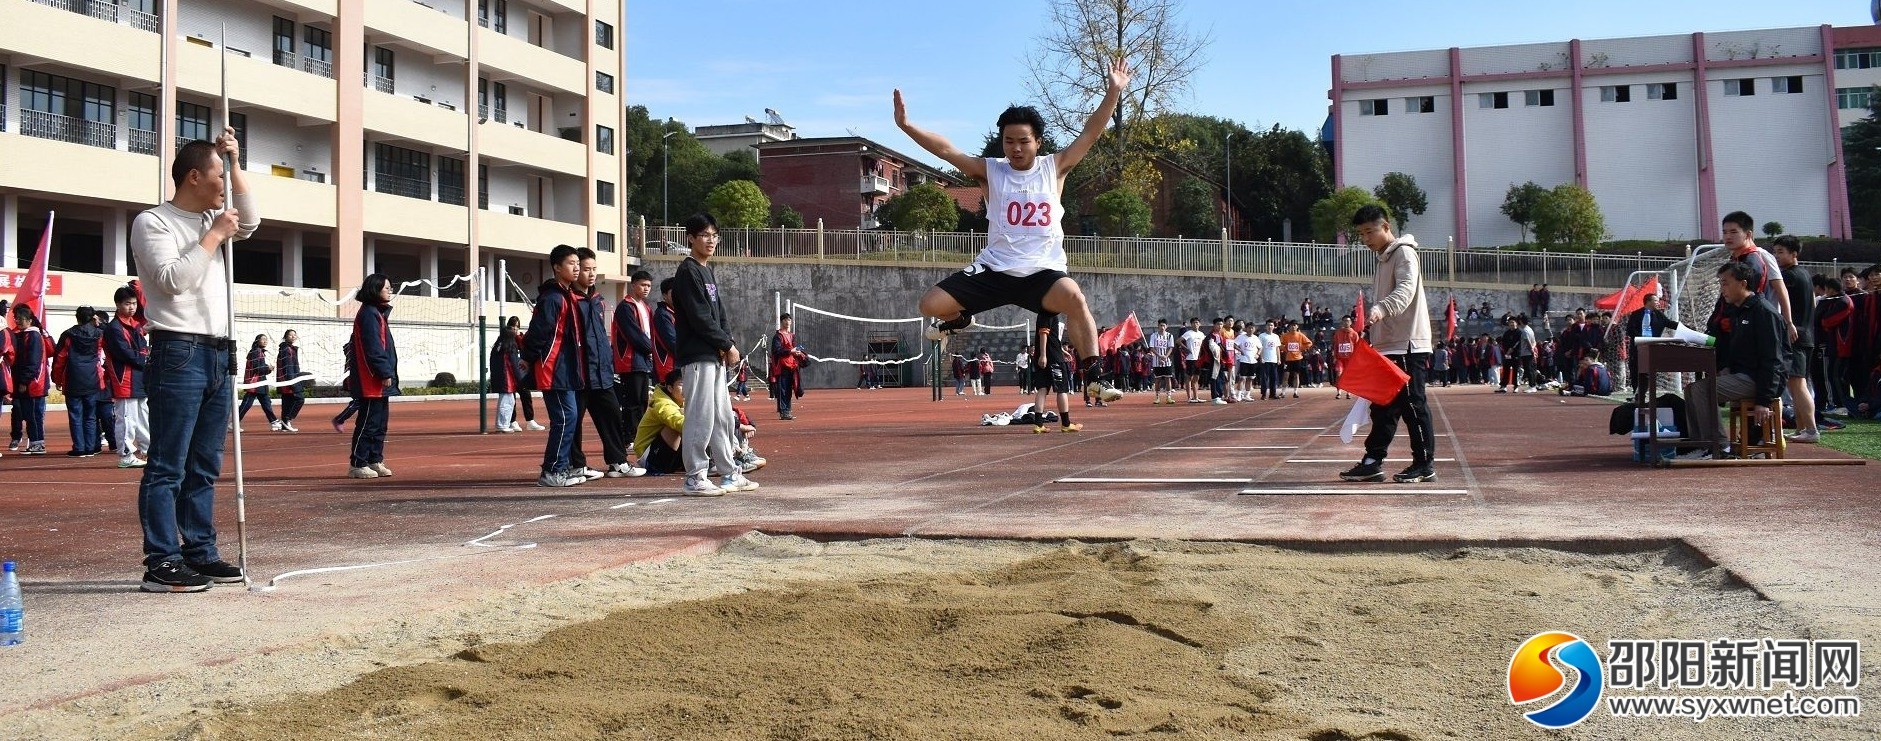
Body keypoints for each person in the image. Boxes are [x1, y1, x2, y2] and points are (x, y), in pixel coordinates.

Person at [895, 59, 1130, 403]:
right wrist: (906, 126)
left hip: (1043, 273)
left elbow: (1091, 132)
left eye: (1023, 141)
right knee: (929, 304)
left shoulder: (1056, 167)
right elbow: (946, 149)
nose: (1015, 148)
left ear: (1038, 141)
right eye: (1008, 141)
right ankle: (959, 320)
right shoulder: (991, 171)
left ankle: (1094, 375)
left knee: (1075, 298)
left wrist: (1113, 92)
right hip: (994, 269)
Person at [130, 128, 255, 591]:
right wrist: (214, 235)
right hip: (178, 350)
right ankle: (161, 560)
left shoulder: (215, 217)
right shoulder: (154, 222)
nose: (224, 182)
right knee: (168, 464)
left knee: (205, 463)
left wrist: (238, 163)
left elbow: (252, 220)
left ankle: (199, 552)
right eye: (219, 173)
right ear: (195, 176)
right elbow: (170, 281)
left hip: (219, 351)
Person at [1340, 204, 1437, 484]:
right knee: (1382, 407)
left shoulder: (1404, 253)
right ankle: (1372, 462)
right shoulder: (1383, 259)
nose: (1366, 239)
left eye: (1370, 232)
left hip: (1407, 344)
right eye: (1361, 234)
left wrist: (1381, 309)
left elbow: (1405, 289)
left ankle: (1424, 463)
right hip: (1387, 345)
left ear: (1386, 227)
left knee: (1412, 405)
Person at [671, 214, 758, 495]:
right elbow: (699, 317)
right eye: (704, 235)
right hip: (697, 356)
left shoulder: (707, 271)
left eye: (714, 235)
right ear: (691, 238)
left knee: (722, 416)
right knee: (701, 416)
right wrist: (726, 344)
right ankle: (695, 476)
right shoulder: (688, 272)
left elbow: (719, 313)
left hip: (713, 354)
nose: (711, 240)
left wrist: (727, 343)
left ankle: (729, 472)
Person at [1682, 261, 1785, 454]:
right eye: (1721, 284)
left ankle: (1718, 446)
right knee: (1690, 389)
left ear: (1743, 284)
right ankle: (1701, 444)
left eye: (1725, 283)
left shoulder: (1763, 312)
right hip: (1744, 374)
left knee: (1701, 389)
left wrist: (1763, 399)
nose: (1722, 289)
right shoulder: (1738, 311)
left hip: (1760, 380)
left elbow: (1774, 360)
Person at [567, 247, 642, 479]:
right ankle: (576, 465)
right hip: (579, 374)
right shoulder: (569, 299)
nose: (590, 274)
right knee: (573, 422)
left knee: (611, 416)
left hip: (602, 374)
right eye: (586, 269)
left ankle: (618, 462)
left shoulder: (598, 300)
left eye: (594, 269)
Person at [523, 244, 588, 488]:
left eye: (578, 264)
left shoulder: (567, 296)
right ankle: (552, 471)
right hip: (554, 369)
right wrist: (528, 357)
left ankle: (561, 467)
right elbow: (539, 333)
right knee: (565, 418)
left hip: (567, 369)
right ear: (557, 267)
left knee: (569, 418)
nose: (576, 268)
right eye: (571, 264)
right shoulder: (552, 299)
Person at [343, 274, 398, 479]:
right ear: (375, 290)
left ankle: (375, 459)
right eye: (387, 288)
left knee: (380, 423)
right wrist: (384, 371)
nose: (390, 291)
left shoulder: (378, 313)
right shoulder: (369, 314)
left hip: (379, 381)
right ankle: (358, 463)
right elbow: (373, 347)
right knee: (368, 422)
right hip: (370, 380)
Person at [1769, 236, 1819, 443]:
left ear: (1794, 254)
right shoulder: (1804, 274)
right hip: (1805, 334)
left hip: (1795, 335)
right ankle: (1802, 428)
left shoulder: (1789, 276)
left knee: (1797, 384)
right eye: (1775, 251)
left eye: (1781, 252)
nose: (1776, 256)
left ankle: (1811, 429)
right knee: (1798, 384)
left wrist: (1789, 325)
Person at [103, 286, 150, 468]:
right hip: (125, 379)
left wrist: (143, 357)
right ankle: (125, 454)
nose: (131, 307)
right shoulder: (114, 328)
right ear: (117, 304)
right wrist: (144, 358)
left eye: (133, 303)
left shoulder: (135, 325)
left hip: (139, 377)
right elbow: (125, 353)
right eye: (127, 304)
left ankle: (147, 450)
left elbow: (143, 348)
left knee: (143, 416)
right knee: (127, 418)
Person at [51, 306, 106, 457]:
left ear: (77, 317)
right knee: (91, 415)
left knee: (76, 415)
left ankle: (79, 447)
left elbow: (60, 358)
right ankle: (90, 447)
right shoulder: (99, 334)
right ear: (93, 317)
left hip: (73, 378)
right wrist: (99, 324)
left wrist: (56, 378)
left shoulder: (68, 335)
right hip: (93, 378)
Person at [612, 269, 657, 440]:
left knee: (642, 400)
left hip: (644, 359)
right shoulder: (625, 307)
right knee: (632, 401)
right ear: (633, 285)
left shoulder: (645, 307)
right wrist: (650, 350)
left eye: (649, 286)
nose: (646, 289)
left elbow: (649, 333)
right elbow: (633, 334)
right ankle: (629, 436)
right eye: (643, 285)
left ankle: (638, 434)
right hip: (631, 360)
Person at [1028, 313, 1080, 432]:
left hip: (1047, 356)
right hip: (1052, 359)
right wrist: (1043, 355)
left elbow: (1052, 337)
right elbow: (1043, 333)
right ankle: (1066, 424)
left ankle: (1039, 424)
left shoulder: (1044, 313)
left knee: (1042, 389)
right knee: (1062, 389)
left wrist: (1062, 351)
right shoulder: (1048, 312)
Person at [8, 304, 47, 456]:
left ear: (29, 320)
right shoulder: (26, 335)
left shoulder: (33, 336)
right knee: (30, 414)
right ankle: (36, 443)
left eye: (21, 319)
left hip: (33, 384)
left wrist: (24, 381)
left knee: (33, 415)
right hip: (31, 382)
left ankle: (37, 444)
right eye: (16, 318)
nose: (18, 321)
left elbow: (32, 361)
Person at [491, 317, 527, 433]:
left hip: (500, 377)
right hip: (507, 379)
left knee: (507, 401)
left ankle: (503, 423)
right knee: (507, 402)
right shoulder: (510, 348)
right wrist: (520, 379)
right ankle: (502, 424)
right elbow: (514, 365)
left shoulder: (498, 346)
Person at [236, 334, 278, 431]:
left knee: (266, 402)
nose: (265, 341)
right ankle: (234, 422)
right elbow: (256, 368)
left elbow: (260, 368)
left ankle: (274, 421)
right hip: (255, 382)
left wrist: (268, 369)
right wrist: (268, 368)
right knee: (247, 404)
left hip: (260, 382)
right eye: (263, 339)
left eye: (266, 339)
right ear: (257, 341)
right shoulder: (255, 352)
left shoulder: (260, 352)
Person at [770, 313, 806, 420]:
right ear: (781, 322)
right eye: (785, 320)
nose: (787, 321)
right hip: (782, 366)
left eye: (789, 320)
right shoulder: (778, 336)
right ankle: (783, 411)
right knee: (783, 389)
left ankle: (787, 410)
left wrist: (797, 353)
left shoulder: (792, 336)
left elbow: (793, 349)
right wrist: (790, 351)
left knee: (790, 388)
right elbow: (776, 351)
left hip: (792, 365)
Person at [274, 330, 304, 432]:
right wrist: (293, 382)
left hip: (285, 381)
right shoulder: (287, 350)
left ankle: (284, 425)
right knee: (300, 399)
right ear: (285, 337)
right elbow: (288, 367)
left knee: (286, 403)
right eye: (290, 335)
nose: (293, 337)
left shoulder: (288, 349)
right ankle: (287, 418)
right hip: (289, 381)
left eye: (294, 335)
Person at [1278, 320, 1313, 398]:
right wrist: (1285, 348)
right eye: (1291, 325)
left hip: (1298, 358)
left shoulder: (1300, 335)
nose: (1293, 327)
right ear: (1289, 327)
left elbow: (1309, 343)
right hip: (1288, 359)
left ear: (1297, 327)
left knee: (1296, 375)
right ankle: (1283, 392)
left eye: (1295, 325)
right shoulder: (1285, 335)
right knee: (1286, 375)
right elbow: (1279, 344)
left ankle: (1295, 392)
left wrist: (1301, 348)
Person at [1148, 319, 1175, 404]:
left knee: (1168, 378)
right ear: (1158, 326)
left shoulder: (1170, 336)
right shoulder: (1153, 336)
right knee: (1157, 379)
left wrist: (1165, 356)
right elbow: (1152, 347)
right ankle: (1157, 397)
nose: (1162, 327)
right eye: (1161, 325)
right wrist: (1159, 356)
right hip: (1157, 361)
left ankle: (1169, 397)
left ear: (1166, 326)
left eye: (1164, 325)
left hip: (1167, 361)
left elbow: (1171, 347)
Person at [1255, 320, 1281, 401]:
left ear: (1274, 326)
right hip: (1265, 360)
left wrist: (1278, 359)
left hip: (1273, 360)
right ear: (1266, 326)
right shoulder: (1262, 336)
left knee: (1274, 378)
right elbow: (1260, 347)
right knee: (1264, 378)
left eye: (1271, 325)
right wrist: (1261, 357)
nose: (1270, 327)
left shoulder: (1276, 336)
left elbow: (1277, 348)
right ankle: (1264, 394)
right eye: (1268, 325)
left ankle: (1273, 394)